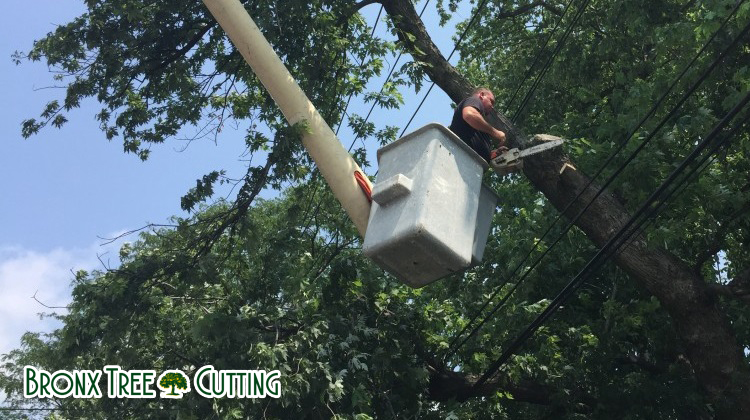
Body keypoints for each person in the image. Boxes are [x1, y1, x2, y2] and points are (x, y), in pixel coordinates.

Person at [449, 88, 507, 162]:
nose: (492, 107)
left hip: (467, 163)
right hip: (460, 159)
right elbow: (469, 115)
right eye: (491, 101)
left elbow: (473, 145)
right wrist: (496, 133)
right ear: (482, 95)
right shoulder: (474, 100)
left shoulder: (479, 125)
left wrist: (494, 154)